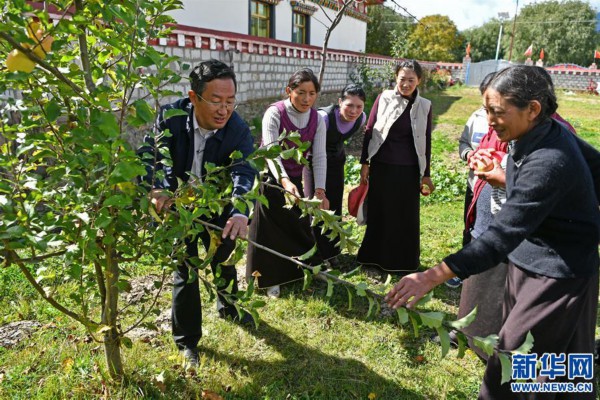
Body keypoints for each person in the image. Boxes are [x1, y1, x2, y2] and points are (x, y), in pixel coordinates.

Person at [386, 65, 600, 398]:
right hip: (533, 259)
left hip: (558, 273)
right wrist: (505, 176)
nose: (489, 120)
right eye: (486, 110)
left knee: (513, 363)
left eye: (497, 112)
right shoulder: (538, 134)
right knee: (558, 360)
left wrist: (430, 277)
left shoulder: (551, 156)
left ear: (533, 109)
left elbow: (500, 237)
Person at [138, 59, 257, 367]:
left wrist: (241, 210)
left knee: (224, 257)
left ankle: (228, 306)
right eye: (216, 101)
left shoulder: (238, 129)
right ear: (194, 97)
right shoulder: (171, 116)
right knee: (185, 271)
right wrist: (156, 189)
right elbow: (150, 157)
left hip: (217, 206)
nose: (224, 109)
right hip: (177, 208)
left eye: (230, 101)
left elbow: (244, 171)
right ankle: (187, 340)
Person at [246, 68, 329, 298]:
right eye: (301, 92)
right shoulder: (274, 113)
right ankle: (269, 278)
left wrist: (320, 189)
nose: (306, 99)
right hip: (271, 177)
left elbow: (319, 156)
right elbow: (271, 153)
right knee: (269, 229)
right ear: (288, 91)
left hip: (293, 178)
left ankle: (309, 266)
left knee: (298, 224)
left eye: (312, 93)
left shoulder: (317, 118)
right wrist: (282, 181)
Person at [357, 60, 434, 274]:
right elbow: (370, 129)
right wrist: (365, 162)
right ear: (395, 78)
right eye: (402, 79)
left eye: (411, 80)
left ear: (419, 80)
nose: (406, 84)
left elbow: (426, 140)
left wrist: (426, 174)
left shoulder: (425, 105)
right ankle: (373, 258)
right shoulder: (384, 98)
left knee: (404, 216)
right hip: (382, 165)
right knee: (379, 212)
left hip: (408, 170)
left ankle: (402, 262)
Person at [304, 84, 367, 264]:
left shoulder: (361, 118)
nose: (354, 111)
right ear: (340, 102)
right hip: (314, 163)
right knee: (315, 207)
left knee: (334, 207)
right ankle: (314, 255)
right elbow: (310, 145)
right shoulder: (324, 117)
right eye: (349, 105)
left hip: (336, 164)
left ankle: (331, 253)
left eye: (359, 106)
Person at [447, 72, 498, 289]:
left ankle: (487, 275)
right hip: (474, 184)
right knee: (470, 226)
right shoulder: (476, 117)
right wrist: (469, 155)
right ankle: (464, 270)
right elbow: (464, 142)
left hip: (498, 188)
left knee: (492, 231)